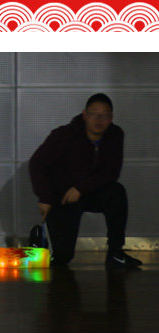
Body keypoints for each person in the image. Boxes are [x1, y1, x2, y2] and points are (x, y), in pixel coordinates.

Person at [28, 93, 141, 270]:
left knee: (116, 192)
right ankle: (39, 242)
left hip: (90, 192)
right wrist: (45, 197)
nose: (99, 120)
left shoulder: (115, 135)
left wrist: (81, 188)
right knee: (62, 258)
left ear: (111, 118)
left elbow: (111, 172)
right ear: (85, 115)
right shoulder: (64, 135)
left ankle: (115, 253)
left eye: (104, 115)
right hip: (63, 197)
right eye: (94, 114)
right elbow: (37, 163)